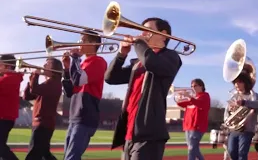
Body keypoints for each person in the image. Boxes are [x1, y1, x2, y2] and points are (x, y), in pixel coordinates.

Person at [105, 17, 182, 160]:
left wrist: (139, 43)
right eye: (142, 31)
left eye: (148, 31)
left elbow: (151, 62)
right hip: (129, 132)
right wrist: (121, 54)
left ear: (163, 34)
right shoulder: (138, 63)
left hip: (149, 133)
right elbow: (110, 78)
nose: (142, 34)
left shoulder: (171, 57)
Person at [62, 30, 107, 160]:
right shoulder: (80, 64)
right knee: (68, 157)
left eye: (83, 40)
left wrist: (75, 58)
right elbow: (69, 91)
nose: (78, 43)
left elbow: (79, 80)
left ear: (93, 43)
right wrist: (66, 69)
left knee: (71, 158)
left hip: (86, 116)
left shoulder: (99, 61)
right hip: (75, 116)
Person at [23, 57, 63, 160]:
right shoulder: (48, 83)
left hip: (43, 124)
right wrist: (31, 79)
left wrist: (35, 76)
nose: (44, 66)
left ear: (54, 68)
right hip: (42, 124)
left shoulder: (54, 83)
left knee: (33, 155)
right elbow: (27, 96)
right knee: (45, 155)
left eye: (47, 64)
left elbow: (35, 89)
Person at [225, 73, 258, 160]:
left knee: (242, 153)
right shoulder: (234, 96)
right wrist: (230, 110)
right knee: (231, 151)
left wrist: (244, 103)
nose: (236, 84)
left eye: (239, 82)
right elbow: (227, 113)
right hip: (234, 129)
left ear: (245, 83)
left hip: (247, 129)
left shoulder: (253, 95)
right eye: (235, 82)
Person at [176, 78, 210, 160]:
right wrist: (180, 97)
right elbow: (181, 104)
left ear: (201, 86)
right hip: (188, 125)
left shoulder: (205, 96)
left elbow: (200, 104)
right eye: (192, 86)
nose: (193, 88)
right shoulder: (193, 98)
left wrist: (189, 96)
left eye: (195, 86)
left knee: (191, 149)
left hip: (197, 126)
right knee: (194, 149)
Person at [0, 54, 23, 160]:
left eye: (1, 65)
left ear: (8, 66)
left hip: (4, 118)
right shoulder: (9, 77)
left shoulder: (10, 78)